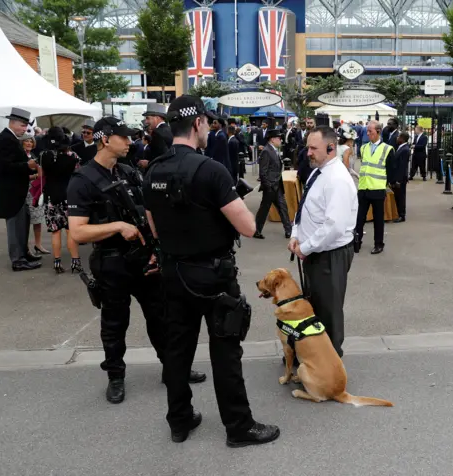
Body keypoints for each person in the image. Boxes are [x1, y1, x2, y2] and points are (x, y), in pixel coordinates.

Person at [142, 94, 279, 446]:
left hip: (173, 273)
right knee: (225, 351)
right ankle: (238, 427)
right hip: (214, 276)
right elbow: (248, 227)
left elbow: (153, 227)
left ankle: (180, 420)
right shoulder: (211, 171)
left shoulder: (153, 171)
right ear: (199, 123)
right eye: (208, 123)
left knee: (177, 351)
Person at [67, 116, 206, 405]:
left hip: (144, 260)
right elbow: (78, 231)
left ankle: (173, 370)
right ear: (105, 139)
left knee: (161, 318)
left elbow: (148, 213)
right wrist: (117, 226)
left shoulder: (129, 172)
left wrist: (157, 247)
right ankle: (115, 377)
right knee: (115, 324)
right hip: (111, 263)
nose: (131, 142)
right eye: (124, 137)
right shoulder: (82, 180)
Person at [288, 126, 357, 358]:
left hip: (329, 256)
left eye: (313, 148)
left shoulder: (337, 179)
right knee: (314, 307)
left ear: (330, 148)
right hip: (315, 253)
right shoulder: (318, 172)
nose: (308, 153)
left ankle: (330, 363)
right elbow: (305, 207)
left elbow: (334, 226)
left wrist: (305, 247)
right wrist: (296, 235)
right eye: (308, 147)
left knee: (329, 312)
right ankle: (313, 358)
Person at [0, 107, 42, 271]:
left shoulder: (11, 138)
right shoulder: (4, 140)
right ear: (13, 123)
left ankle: (24, 253)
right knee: (15, 227)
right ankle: (18, 260)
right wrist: (27, 165)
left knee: (23, 224)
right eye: (22, 126)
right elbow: (5, 167)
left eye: (26, 126)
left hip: (18, 191)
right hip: (11, 192)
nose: (25, 129)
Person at [40, 127, 82, 274]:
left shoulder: (44, 155)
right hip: (69, 196)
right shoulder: (73, 156)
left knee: (55, 231)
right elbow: (78, 174)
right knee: (71, 230)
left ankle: (57, 262)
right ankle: (75, 261)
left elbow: (42, 174)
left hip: (51, 196)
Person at [354, 120, 396, 255]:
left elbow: (391, 170)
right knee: (359, 218)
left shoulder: (387, 149)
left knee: (378, 220)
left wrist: (386, 185)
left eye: (370, 131)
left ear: (378, 132)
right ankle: (356, 241)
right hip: (363, 188)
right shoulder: (363, 147)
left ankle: (378, 244)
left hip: (377, 189)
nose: (368, 134)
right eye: (367, 131)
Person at [254, 129, 292, 240]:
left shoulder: (273, 150)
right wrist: (268, 185)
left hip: (277, 185)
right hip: (270, 186)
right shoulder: (267, 151)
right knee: (264, 209)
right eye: (279, 138)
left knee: (282, 207)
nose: (280, 140)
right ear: (272, 139)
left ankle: (288, 230)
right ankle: (256, 230)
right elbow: (263, 171)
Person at [22, 136, 49, 255]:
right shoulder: (20, 156)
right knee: (25, 220)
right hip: (24, 189)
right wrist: (35, 177)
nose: (29, 143)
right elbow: (19, 174)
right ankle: (25, 247)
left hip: (36, 189)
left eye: (31, 141)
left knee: (38, 219)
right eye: (26, 141)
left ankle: (38, 244)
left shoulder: (33, 155)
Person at [392, 131, 410, 223]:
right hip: (398, 177)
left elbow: (402, 166)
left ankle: (401, 215)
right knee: (398, 197)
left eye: (398, 136)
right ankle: (399, 213)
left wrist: (398, 180)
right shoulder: (401, 147)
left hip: (400, 178)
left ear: (402, 139)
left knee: (401, 197)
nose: (397, 138)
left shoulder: (405, 149)